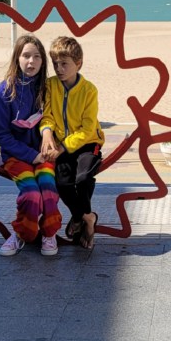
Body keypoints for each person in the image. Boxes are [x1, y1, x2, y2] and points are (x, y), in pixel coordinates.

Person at [0, 34, 63, 257]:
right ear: (17, 58)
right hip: (16, 156)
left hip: (45, 156)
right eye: (26, 56)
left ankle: (49, 233)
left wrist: (50, 149)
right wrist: (31, 156)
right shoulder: (4, 91)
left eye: (37, 57)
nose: (31, 61)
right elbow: (1, 134)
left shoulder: (47, 89)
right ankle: (22, 234)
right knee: (31, 193)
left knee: (48, 189)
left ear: (43, 61)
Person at [40, 36, 105, 249]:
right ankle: (87, 218)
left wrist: (62, 147)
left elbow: (87, 129)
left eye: (64, 64)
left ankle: (77, 218)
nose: (59, 69)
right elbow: (47, 115)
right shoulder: (50, 85)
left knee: (84, 178)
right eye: (55, 64)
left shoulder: (89, 90)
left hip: (88, 143)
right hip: (62, 145)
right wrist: (47, 132)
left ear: (78, 63)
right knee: (62, 184)